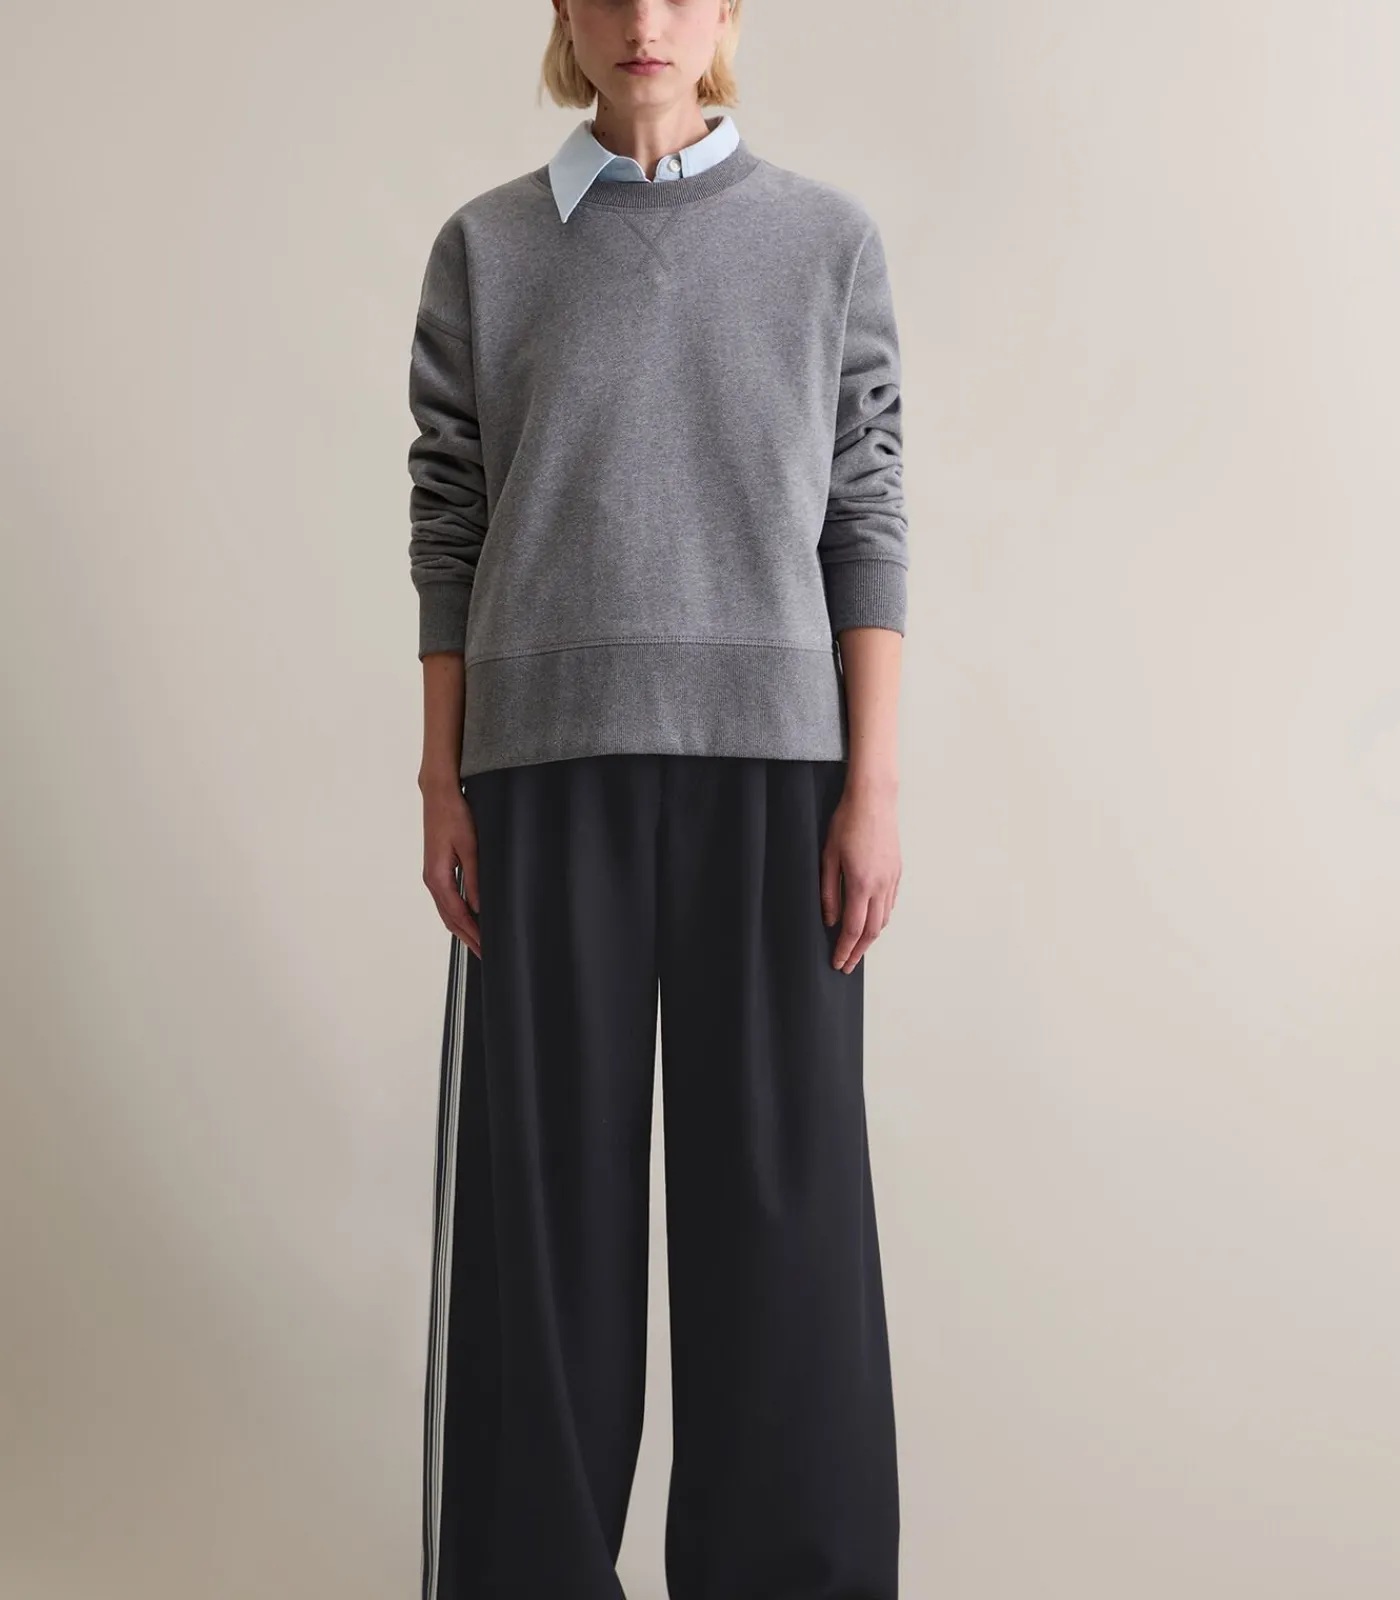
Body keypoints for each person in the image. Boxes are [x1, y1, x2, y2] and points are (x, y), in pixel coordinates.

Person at [407, 2, 909, 1596]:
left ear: (729, 17)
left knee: (783, 1212)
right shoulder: (486, 250)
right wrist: (440, 773)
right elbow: (448, 519)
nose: (646, 23)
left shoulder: (827, 243)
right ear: (563, 14)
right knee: (546, 1223)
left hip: (779, 774)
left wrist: (873, 784)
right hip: (541, 772)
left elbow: (866, 516)